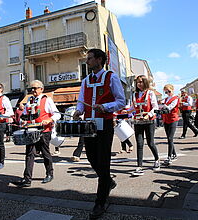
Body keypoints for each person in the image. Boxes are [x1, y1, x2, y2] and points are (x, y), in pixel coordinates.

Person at [73, 49, 125, 219]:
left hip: (105, 125)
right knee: (91, 158)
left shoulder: (111, 77)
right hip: (89, 125)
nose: (87, 61)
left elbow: (121, 101)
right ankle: (108, 181)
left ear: (99, 59)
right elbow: (81, 101)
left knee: (103, 161)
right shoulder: (86, 80)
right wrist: (78, 111)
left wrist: (105, 107)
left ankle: (100, 202)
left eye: (90, 58)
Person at [12, 80, 60, 187]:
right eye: (31, 88)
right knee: (30, 154)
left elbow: (57, 114)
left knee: (45, 153)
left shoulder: (47, 100)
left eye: (35, 88)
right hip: (31, 131)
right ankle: (27, 179)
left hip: (44, 131)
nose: (33, 90)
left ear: (41, 89)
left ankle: (49, 174)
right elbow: (24, 115)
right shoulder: (29, 100)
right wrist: (23, 121)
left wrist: (49, 120)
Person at [131, 75, 160, 176]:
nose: (139, 84)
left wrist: (149, 115)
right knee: (139, 144)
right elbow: (132, 107)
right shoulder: (135, 94)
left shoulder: (150, 93)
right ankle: (139, 166)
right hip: (138, 121)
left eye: (141, 82)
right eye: (137, 82)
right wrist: (125, 111)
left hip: (149, 121)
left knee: (150, 142)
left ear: (145, 82)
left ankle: (157, 159)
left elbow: (155, 107)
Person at [161, 84, 180, 165]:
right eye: (166, 92)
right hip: (166, 119)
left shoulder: (175, 98)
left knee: (170, 138)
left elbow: (170, 107)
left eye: (169, 91)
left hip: (173, 119)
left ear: (172, 90)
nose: (168, 93)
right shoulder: (165, 99)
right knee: (169, 138)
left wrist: (163, 105)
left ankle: (169, 156)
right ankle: (174, 154)